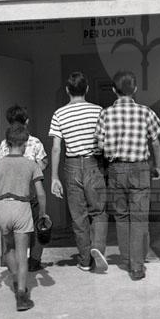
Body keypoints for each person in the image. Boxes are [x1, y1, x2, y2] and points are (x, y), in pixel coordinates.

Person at [95, 71, 160, 281]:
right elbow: (155, 142)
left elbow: (99, 145)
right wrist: (157, 166)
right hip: (140, 168)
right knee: (139, 217)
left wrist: (112, 147)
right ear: (134, 89)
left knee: (122, 216)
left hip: (116, 168)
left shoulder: (105, 114)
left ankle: (126, 259)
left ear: (114, 90)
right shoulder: (145, 112)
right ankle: (137, 266)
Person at [49, 71, 108, 273]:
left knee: (78, 215)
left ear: (67, 90)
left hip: (72, 165)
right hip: (93, 164)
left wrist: (54, 177)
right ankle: (97, 248)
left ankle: (84, 260)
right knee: (98, 211)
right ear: (87, 89)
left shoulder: (59, 114)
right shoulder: (98, 111)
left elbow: (56, 148)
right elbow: (104, 141)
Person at [0, 123, 47, 311]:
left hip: (2, 207)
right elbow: (41, 193)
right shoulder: (31, 165)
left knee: (8, 249)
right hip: (22, 207)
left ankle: (14, 277)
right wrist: (42, 214)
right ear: (25, 144)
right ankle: (21, 294)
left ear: (7, 143)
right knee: (22, 254)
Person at [0, 104, 48, 272]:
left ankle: (15, 264)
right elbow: (43, 163)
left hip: (9, 198)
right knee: (38, 228)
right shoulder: (35, 142)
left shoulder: (4, 144)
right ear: (27, 121)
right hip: (30, 195)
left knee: (12, 234)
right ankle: (34, 261)